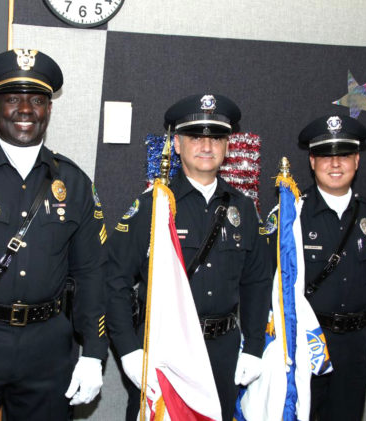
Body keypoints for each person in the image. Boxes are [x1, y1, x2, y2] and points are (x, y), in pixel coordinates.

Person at [106, 94, 272, 421]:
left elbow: (257, 283)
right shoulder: (153, 206)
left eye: (216, 138)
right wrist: (127, 349)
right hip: (164, 350)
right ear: (178, 144)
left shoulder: (244, 209)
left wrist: (253, 347)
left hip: (222, 350)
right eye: (196, 137)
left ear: (227, 146)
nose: (206, 146)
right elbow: (114, 281)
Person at [0, 49, 108, 420]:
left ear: (49, 108)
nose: (25, 110)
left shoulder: (74, 182)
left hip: (48, 347)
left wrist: (94, 353)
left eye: (37, 100)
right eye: (12, 99)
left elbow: (91, 273)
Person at [297, 115, 366, 421]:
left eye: (343, 155)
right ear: (312, 161)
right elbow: (269, 283)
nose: (335, 164)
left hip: (355, 343)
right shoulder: (292, 214)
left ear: (356, 160)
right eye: (326, 156)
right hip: (307, 343)